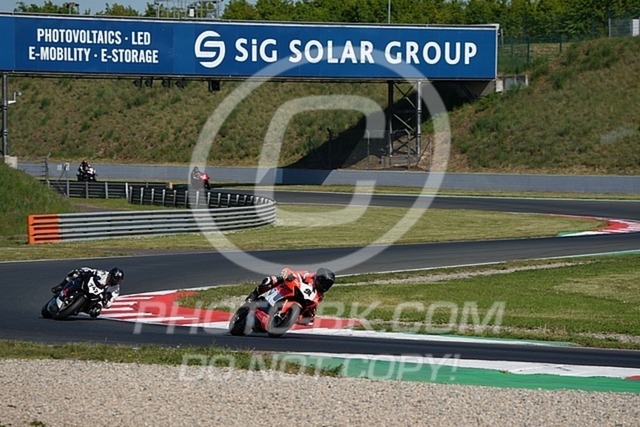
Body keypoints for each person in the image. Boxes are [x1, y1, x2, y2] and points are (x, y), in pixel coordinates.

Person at [245, 267, 335, 326]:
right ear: (319, 279)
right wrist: (289, 276)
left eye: (328, 285)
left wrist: (309, 314)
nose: (325, 286)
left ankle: (281, 318)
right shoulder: (309, 276)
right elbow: (296, 274)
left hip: (301, 300)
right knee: (270, 280)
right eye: (324, 283)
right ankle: (254, 294)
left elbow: (314, 307)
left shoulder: (320, 295)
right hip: (290, 289)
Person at [51, 267, 124, 317]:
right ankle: (62, 285)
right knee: (74, 273)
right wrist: (82, 271)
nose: (116, 282)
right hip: (89, 286)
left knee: (96, 312)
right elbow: (91, 271)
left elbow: (109, 303)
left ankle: (80, 308)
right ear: (110, 275)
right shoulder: (103, 274)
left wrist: (106, 301)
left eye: (118, 280)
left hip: (97, 297)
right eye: (115, 279)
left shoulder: (116, 289)